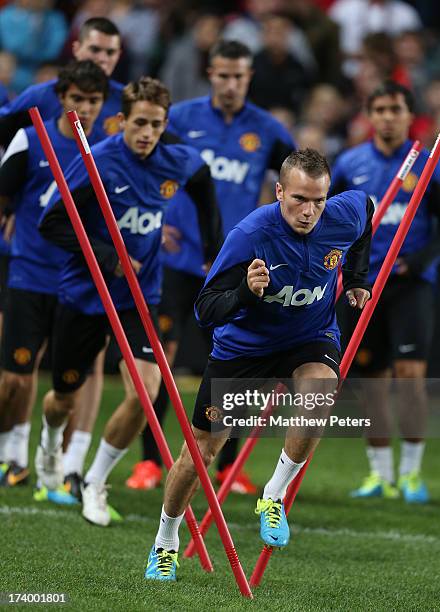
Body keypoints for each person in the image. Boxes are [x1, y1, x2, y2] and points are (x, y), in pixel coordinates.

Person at [145, 147, 374, 581]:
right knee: (198, 456)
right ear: (279, 191)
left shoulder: (343, 214)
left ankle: (273, 495)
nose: (309, 212)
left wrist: (358, 279)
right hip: (245, 348)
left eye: (318, 201)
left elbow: (367, 208)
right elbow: (206, 310)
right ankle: (165, 542)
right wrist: (247, 293)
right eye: (299, 200)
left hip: (310, 336)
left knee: (320, 395)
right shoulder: (250, 234)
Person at [37, 77, 221, 526]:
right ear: (122, 120)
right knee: (62, 397)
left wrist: (214, 253)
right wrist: (108, 257)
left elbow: (204, 187)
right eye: (139, 123)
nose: (147, 133)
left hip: (139, 297)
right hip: (84, 294)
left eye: (156, 125)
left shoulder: (176, 161)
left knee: (147, 391)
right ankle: (49, 444)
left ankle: (93, 483)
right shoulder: (98, 162)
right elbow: (53, 224)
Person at [126, 39, 297, 494]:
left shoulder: (268, 129)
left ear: (250, 77)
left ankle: (227, 467)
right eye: (222, 75)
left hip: (235, 267)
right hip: (177, 263)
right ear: (210, 73)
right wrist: (152, 220)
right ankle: (149, 462)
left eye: (239, 76)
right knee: (159, 361)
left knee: (240, 362)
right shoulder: (179, 118)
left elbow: (298, 181)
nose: (230, 84)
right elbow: (142, 163)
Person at [330, 81, 440, 502]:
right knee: (370, 383)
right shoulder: (351, 164)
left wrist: (418, 262)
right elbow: (332, 223)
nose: (388, 117)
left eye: (396, 109)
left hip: (410, 286)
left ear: (409, 116)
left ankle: (411, 473)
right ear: (369, 116)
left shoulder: (428, 164)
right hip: (364, 288)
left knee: (410, 379)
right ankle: (379, 474)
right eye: (380, 109)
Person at [0, 60, 108, 488]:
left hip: (77, 282)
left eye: (93, 100)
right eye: (77, 98)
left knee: (69, 379)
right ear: (62, 98)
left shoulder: (107, 152)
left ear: (102, 104)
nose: (83, 106)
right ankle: (11, 448)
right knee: (15, 377)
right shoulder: (29, 140)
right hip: (29, 274)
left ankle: (57, 463)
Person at [0, 17, 123, 148]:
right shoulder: (40, 94)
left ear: (119, 55)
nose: (103, 58)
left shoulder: (126, 100)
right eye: (95, 50)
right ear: (76, 49)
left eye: (110, 52)